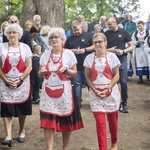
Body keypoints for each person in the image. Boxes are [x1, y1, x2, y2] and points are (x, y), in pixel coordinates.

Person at [38, 27, 84, 150]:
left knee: (66, 121)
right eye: (52, 37)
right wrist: (42, 72)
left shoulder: (69, 54)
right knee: (48, 121)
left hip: (65, 92)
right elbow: (40, 74)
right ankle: (49, 148)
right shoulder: (45, 55)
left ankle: (65, 148)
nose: (54, 39)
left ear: (62, 39)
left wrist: (66, 70)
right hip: (48, 90)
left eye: (56, 37)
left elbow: (74, 73)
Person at [84, 33, 121, 150]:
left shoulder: (112, 57)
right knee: (100, 124)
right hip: (96, 95)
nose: (98, 44)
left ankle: (114, 143)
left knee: (113, 122)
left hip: (111, 93)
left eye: (100, 41)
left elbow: (116, 75)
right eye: (95, 42)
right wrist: (94, 90)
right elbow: (87, 77)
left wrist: (108, 88)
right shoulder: (89, 59)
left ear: (106, 43)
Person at [0, 23, 32, 147]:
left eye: (14, 32)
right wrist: (6, 80)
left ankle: (21, 130)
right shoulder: (1, 47)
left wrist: (20, 80)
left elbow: (29, 66)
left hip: (22, 83)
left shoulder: (25, 48)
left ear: (19, 34)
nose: (12, 35)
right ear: (6, 35)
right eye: (10, 32)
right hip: (5, 82)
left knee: (22, 108)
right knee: (7, 109)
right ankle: (8, 135)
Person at [105, 17, 134, 113]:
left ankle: (124, 103)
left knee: (123, 82)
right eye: (107, 24)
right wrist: (111, 50)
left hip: (122, 59)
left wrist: (123, 51)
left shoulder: (124, 32)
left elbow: (132, 46)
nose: (108, 26)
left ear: (115, 23)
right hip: (110, 60)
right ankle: (111, 101)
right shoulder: (106, 34)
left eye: (110, 24)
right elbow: (101, 48)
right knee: (110, 82)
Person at [65, 22, 94, 107]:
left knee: (90, 84)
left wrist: (85, 50)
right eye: (74, 30)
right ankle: (78, 102)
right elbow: (65, 49)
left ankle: (93, 100)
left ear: (81, 28)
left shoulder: (89, 36)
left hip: (88, 65)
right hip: (75, 66)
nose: (76, 31)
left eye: (78, 29)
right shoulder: (70, 38)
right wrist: (72, 51)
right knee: (77, 84)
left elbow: (94, 46)